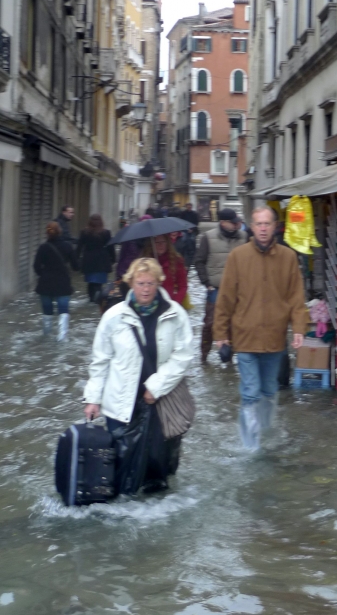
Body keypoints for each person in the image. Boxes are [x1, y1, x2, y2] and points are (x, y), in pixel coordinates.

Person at [83, 257, 193, 493]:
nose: (145, 289)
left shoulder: (175, 314)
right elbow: (100, 361)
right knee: (121, 465)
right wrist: (93, 398)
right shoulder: (113, 317)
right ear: (131, 283)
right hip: (120, 403)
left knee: (158, 468)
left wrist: (157, 386)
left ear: (158, 283)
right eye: (140, 283)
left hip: (159, 401)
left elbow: (183, 355)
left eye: (150, 283)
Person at [213, 206, 308, 450]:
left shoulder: (288, 257)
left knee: (269, 390)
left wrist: (299, 328)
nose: (263, 229)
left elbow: (296, 298)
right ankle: (250, 446)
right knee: (251, 392)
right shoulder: (238, 256)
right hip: (245, 337)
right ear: (251, 227)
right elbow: (225, 299)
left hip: (275, 338)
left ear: (275, 226)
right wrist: (221, 335)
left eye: (267, 224)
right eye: (259, 224)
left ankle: (265, 433)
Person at [195, 208, 247, 363]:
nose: (237, 225)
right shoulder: (208, 237)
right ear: (223, 223)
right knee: (210, 324)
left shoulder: (244, 237)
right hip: (215, 289)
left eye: (237, 222)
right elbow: (199, 261)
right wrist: (206, 283)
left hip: (238, 290)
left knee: (234, 324)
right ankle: (204, 356)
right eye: (233, 222)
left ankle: (229, 358)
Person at [34, 221, 75, 339]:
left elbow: (36, 267)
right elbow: (76, 266)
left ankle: (46, 337)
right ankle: (62, 339)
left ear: (47, 233)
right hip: (62, 284)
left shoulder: (43, 248)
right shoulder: (67, 246)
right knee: (63, 311)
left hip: (45, 284)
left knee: (47, 312)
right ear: (60, 232)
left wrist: (44, 275)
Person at [141, 234, 188, 307]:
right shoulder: (145, 262)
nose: (161, 245)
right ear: (151, 244)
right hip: (150, 304)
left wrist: (175, 303)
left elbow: (183, 286)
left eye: (163, 242)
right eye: (157, 242)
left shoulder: (176, 261)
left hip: (170, 303)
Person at [77, 214, 115, 302]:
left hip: (89, 260)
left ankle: (91, 298)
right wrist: (113, 259)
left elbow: (79, 247)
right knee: (99, 282)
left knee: (90, 282)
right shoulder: (106, 233)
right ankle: (98, 297)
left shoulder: (84, 232)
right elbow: (111, 248)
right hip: (102, 260)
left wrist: (77, 260)